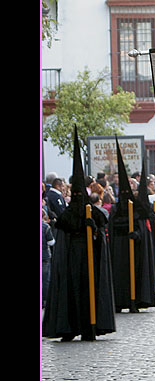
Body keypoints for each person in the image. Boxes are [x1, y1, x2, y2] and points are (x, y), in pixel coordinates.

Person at [42, 127, 116, 341]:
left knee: (88, 292)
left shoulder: (93, 212)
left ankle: (90, 325)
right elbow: (62, 232)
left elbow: (101, 233)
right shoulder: (66, 217)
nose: (74, 196)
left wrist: (94, 230)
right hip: (71, 263)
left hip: (90, 262)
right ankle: (70, 327)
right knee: (72, 293)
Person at [108, 145, 155, 313]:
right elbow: (111, 226)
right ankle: (119, 302)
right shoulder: (115, 209)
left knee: (134, 275)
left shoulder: (136, 208)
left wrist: (137, 234)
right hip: (118, 249)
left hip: (133, 249)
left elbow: (143, 226)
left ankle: (135, 300)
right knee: (119, 276)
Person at [42, 208, 55, 307]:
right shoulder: (46, 227)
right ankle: (45, 300)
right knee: (45, 279)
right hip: (45, 255)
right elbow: (51, 242)